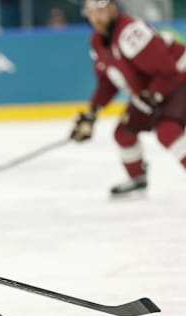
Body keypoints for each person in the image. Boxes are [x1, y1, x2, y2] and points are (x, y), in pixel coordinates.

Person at [70, 0, 186, 197]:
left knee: (168, 131)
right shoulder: (97, 42)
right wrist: (92, 113)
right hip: (155, 89)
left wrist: (150, 96)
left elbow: (167, 71)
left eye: (100, 11)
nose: (96, 17)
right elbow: (107, 83)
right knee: (124, 133)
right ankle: (137, 179)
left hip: (179, 77)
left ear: (113, 9)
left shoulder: (130, 32)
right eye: (91, 12)